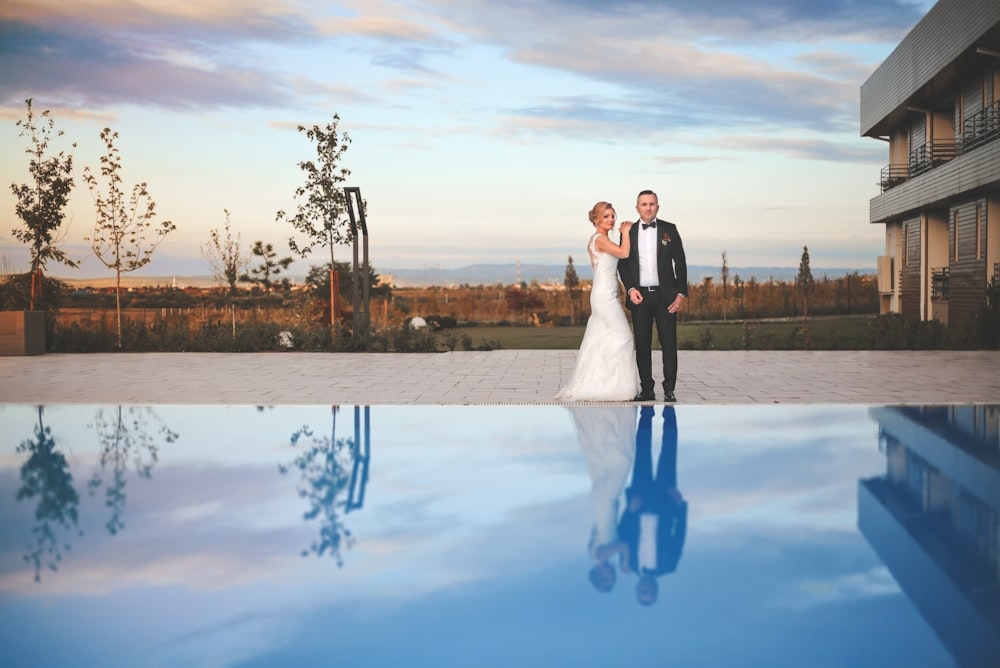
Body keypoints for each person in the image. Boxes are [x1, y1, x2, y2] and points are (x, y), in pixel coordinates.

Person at [555, 201, 639, 402]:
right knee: (624, 337)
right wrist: (626, 232)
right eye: (606, 217)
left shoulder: (602, 239)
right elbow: (624, 253)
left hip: (608, 293)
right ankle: (619, 387)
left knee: (604, 339)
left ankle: (605, 383)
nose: (611, 220)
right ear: (596, 219)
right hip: (603, 296)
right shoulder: (600, 239)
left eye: (612, 216)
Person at [617, 189, 688, 402]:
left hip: (666, 296)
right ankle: (646, 388)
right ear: (637, 207)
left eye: (652, 203)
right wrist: (630, 289)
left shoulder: (669, 229)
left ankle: (669, 389)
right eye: (644, 204)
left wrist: (681, 293)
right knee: (642, 344)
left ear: (657, 206)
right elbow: (623, 265)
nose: (648, 207)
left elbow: (681, 263)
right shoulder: (628, 232)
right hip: (640, 298)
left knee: (668, 343)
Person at [616, 406, 687, 606]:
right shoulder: (669, 565)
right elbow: (679, 535)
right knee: (669, 451)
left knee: (642, 451)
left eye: (643, 592)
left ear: (637, 588)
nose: (647, 589)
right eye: (650, 592)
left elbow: (622, 532)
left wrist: (630, 510)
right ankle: (669, 409)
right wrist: (680, 507)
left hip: (640, 500)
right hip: (665, 502)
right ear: (656, 589)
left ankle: (646, 411)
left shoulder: (629, 563)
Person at [566, 405, 636, 593]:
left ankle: (618, 416)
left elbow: (624, 546)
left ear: (597, 574)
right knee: (609, 458)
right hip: (607, 501)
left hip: (604, 502)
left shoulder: (598, 556)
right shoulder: (605, 556)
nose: (610, 576)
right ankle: (609, 416)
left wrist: (626, 562)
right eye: (611, 579)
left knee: (623, 461)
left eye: (606, 578)